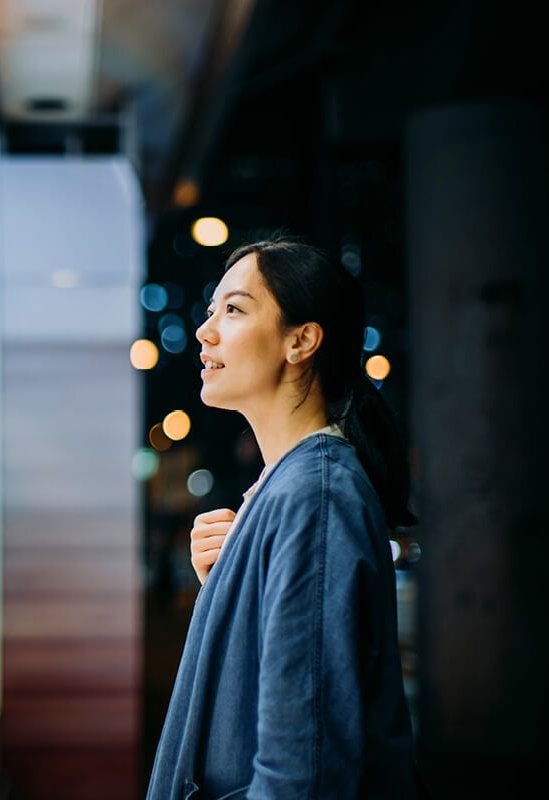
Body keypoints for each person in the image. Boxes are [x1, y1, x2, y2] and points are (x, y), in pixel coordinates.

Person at [147, 236, 420, 799]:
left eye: (234, 309)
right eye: (210, 309)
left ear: (301, 340)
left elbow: (304, 767)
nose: (205, 329)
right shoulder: (288, 489)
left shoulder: (314, 497)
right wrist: (232, 588)